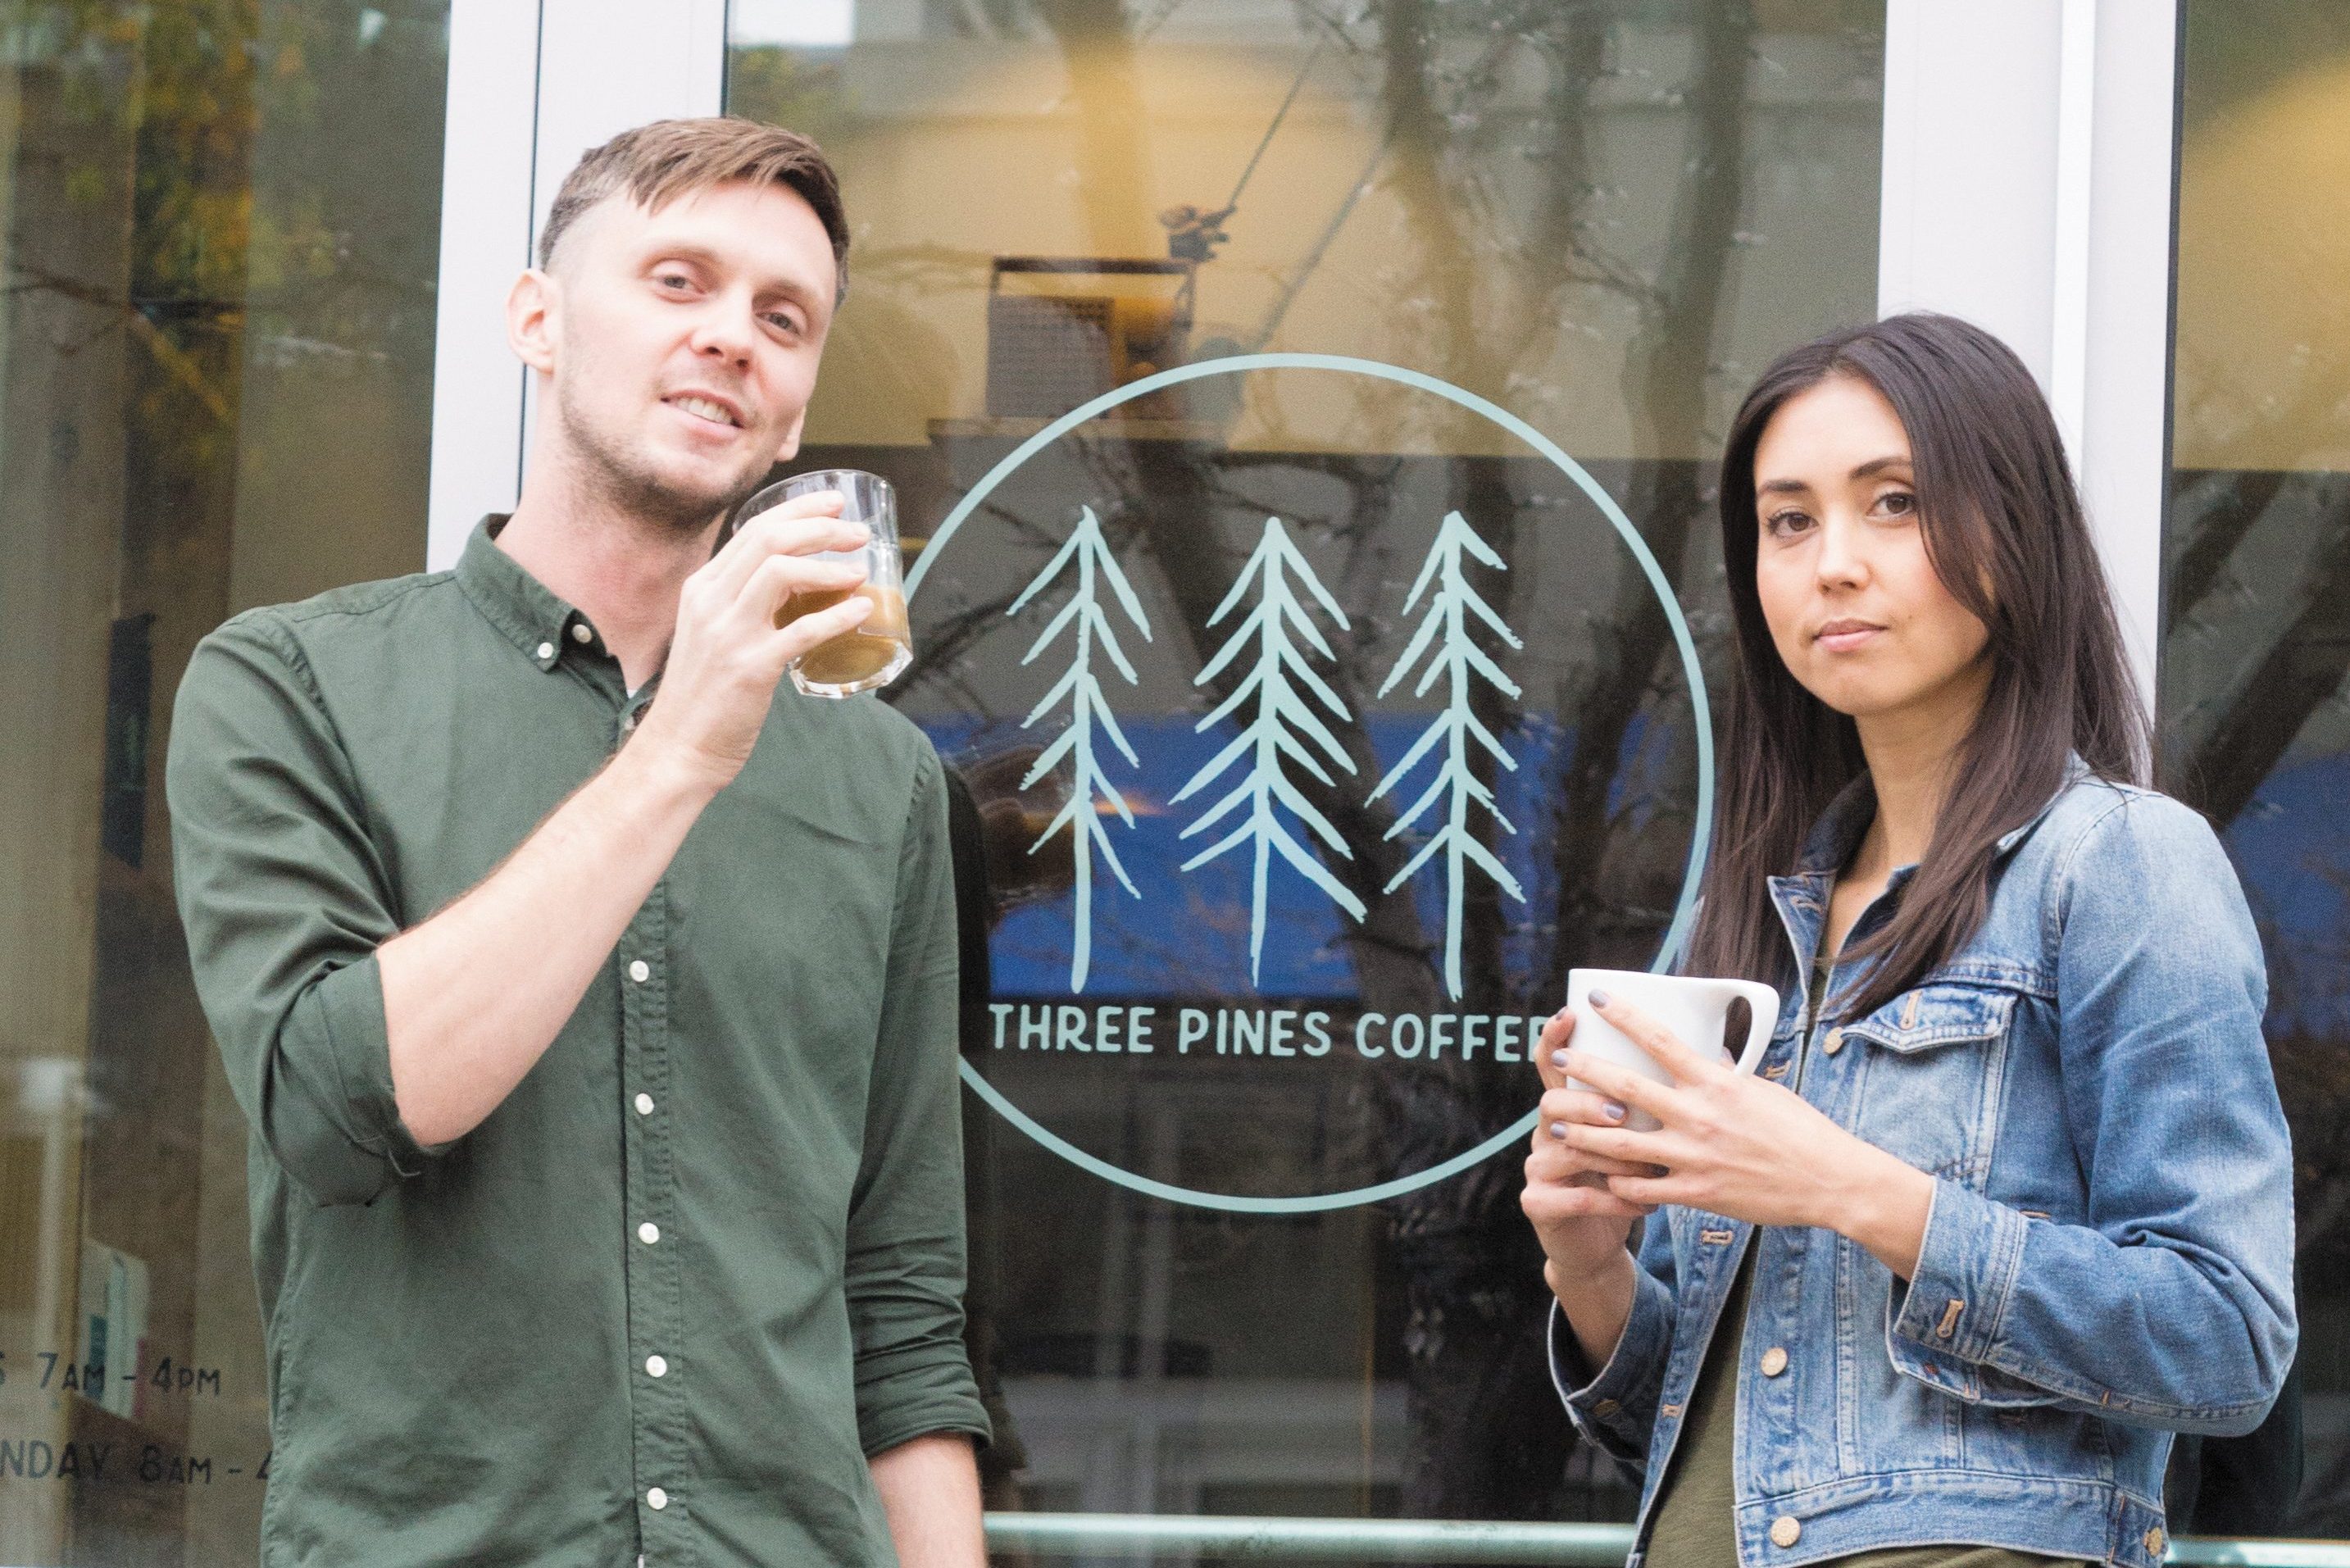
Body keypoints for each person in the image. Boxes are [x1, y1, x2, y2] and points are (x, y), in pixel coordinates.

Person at [166, 117, 988, 1566]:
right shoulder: (292, 685)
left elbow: (903, 1300)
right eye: (680, 281)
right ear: (537, 320)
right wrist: (682, 746)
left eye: (782, 317)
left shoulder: (886, 785)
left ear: (797, 410)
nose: (733, 336)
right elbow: (339, 1111)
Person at [1520, 312, 2297, 1566]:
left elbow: (2227, 1337)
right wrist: (1590, 1267)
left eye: (1893, 503)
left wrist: (1853, 1189)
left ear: (2015, 530)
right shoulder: (1766, 916)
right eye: (1789, 520)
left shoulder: (2117, 865)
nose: (1833, 562)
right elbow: (1728, 1427)